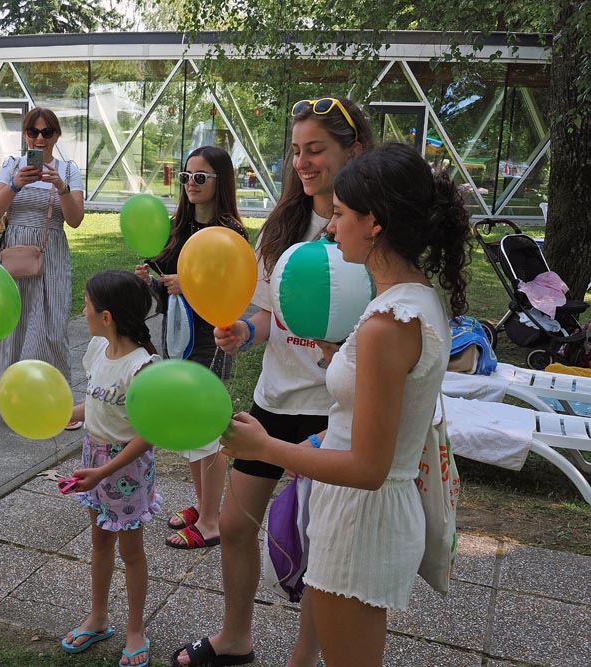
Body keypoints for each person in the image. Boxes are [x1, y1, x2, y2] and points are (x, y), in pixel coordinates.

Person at [219, 142, 472, 666]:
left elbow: (367, 467)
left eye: (338, 214)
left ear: (374, 222)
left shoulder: (387, 323)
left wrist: (266, 446)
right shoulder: (412, 300)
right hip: (366, 514)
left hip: (361, 519)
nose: (331, 229)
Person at [173, 96, 373, 667]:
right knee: (235, 522)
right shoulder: (285, 224)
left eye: (316, 150)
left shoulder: (370, 227)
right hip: (275, 397)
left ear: (353, 150)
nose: (303, 163)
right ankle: (236, 640)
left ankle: (303, 659)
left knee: (320, 545)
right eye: (296, 151)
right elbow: (267, 314)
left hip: (334, 407)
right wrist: (244, 330)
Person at [133, 145, 246, 550]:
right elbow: (168, 285)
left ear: (220, 181)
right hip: (178, 337)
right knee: (191, 426)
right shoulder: (178, 226)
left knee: (209, 429)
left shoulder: (230, 231)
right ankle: (203, 506)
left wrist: (190, 285)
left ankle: (213, 521)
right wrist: (152, 281)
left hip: (211, 339)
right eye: (186, 177)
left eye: (200, 177)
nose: (191, 184)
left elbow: (230, 289)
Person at [64, 270, 161, 667]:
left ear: (107, 316)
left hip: (126, 467)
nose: (82, 310)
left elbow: (149, 432)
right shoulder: (97, 350)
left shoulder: (141, 368)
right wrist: (67, 414)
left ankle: (136, 630)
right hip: (93, 457)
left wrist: (106, 472)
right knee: (99, 542)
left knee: (131, 551)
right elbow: (100, 402)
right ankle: (98, 617)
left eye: (86, 304)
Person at [0, 107, 84, 390]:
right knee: (14, 323)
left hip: (51, 251)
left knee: (51, 324)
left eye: (47, 132)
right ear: (25, 135)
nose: (40, 138)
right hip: (15, 250)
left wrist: (61, 188)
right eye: (33, 131)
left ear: (56, 135)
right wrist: (16, 184)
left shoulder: (68, 170)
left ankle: (52, 392)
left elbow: (75, 220)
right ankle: (12, 391)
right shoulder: (12, 166)